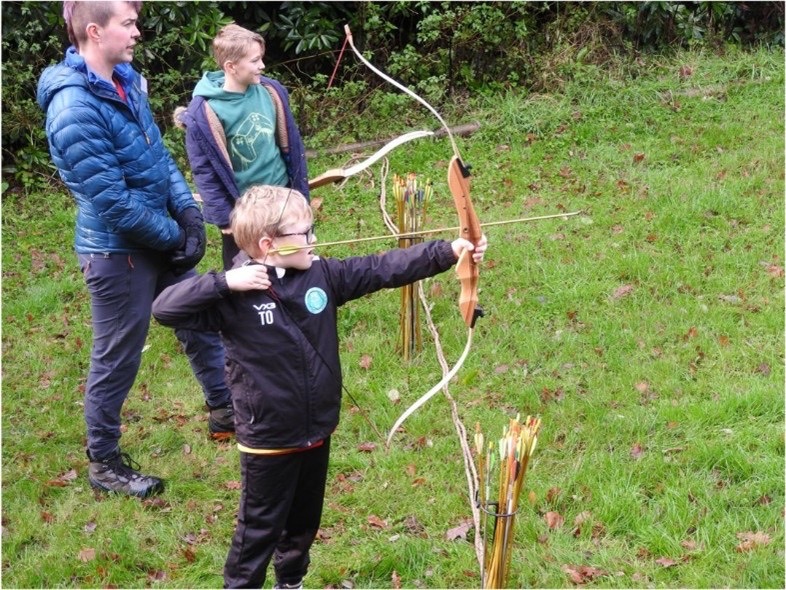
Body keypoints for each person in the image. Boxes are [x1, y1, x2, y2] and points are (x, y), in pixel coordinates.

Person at [152, 185, 488, 588]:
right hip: (269, 435)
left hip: (316, 427)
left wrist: (450, 251)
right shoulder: (234, 294)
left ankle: (290, 581)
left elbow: (382, 267)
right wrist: (226, 283)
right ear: (268, 244)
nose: (314, 240)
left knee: (303, 522)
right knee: (259, 528)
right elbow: (165, 309)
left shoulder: (321, 274)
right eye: (304, 233)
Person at [36, 0, 235, 499]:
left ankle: (228, 413)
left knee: (198, 316)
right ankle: (104, 463)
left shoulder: (126, 80)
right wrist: (177, 237)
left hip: (159, 233)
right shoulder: (73, 107)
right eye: (129, 24)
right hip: (117, 253)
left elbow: (156, 155)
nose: (137, 33)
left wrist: (187, 213)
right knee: (118, 357)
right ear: (95, 31)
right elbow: (114, 203)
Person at [175, 23, 310, 271]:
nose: (262, 66)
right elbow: (204, 171)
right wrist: (225, 218)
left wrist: (299, 191)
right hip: (244, 212)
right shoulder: (204, 112)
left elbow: (292, 143)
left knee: (294, 261)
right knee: (246, 271)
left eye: (261, 59)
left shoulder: (271, 92)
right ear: (231, 66)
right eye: (255, 60)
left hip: (283, 199)